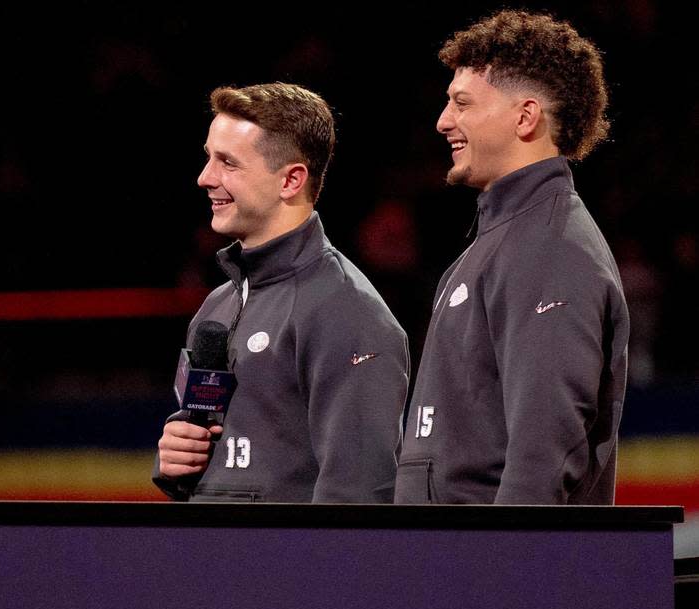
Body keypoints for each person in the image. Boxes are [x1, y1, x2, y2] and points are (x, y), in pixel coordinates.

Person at [394, 10, 628, 504]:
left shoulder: (552, 249)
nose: (443, 122)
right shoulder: (501, 242)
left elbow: (545, 446)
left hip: (489, 572)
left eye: (462, 104)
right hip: (448, 563)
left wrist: (507, 568)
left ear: (525, 117)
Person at [154, 83, 409, 503]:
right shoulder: (219, 304)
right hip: (212, 559)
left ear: (291, 180)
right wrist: (177, 460)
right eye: (208, 158)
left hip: (286, 565)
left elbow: (358, 495)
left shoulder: (347, 310)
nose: (205, 178)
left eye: (228, 163)